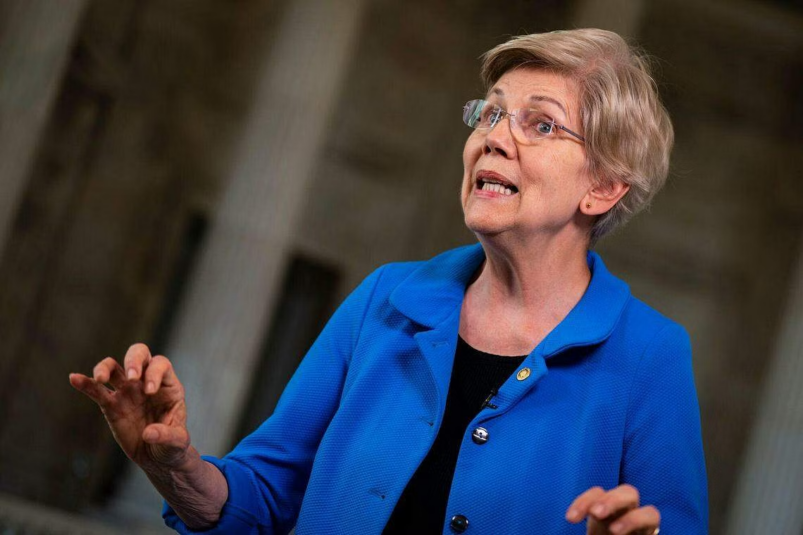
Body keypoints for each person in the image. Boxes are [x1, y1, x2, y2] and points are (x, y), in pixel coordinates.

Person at [70, 28, 707, 534]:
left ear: (603, 187)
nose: (493, 139)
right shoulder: (385, 301)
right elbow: (263, 498)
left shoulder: (650, 355)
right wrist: (175, 468)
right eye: (490, 114)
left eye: (540, 124)